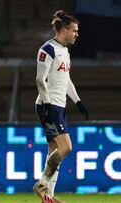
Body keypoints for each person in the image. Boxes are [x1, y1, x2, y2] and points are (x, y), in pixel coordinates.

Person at [33, 10, 89, 203]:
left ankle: (47, 196)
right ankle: (42, 183)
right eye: (74, 30)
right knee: (66, 147)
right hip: (48, 105)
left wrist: (78, 101)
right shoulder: (47, 49)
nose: (77, 34)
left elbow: (66, 80)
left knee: (54, 150)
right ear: (64, 30)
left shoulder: (64, 51)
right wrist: (48, 103)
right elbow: (40, 80)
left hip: (59, 105)